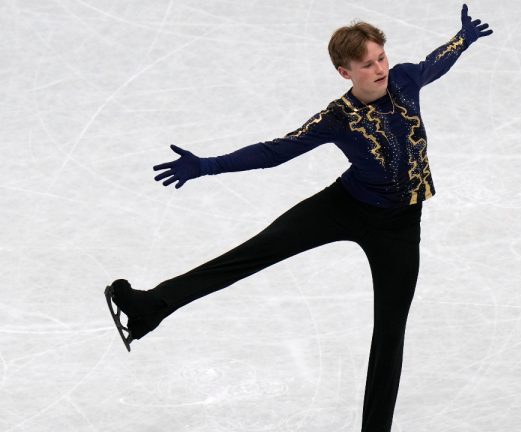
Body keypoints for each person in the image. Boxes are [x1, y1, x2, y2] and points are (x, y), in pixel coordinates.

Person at [104, 4, 492, 431]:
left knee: (389, 334)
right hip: (343, 205)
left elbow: (437, 61)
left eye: (381, 57)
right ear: (345, 72)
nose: (380, 68)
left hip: (399, 227)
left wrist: (463, 39)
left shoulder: (403, 79)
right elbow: (276, 151)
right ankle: (150, 307)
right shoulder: (338, 118)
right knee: (257, 251)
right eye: (368, 64)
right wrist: (207, 165)